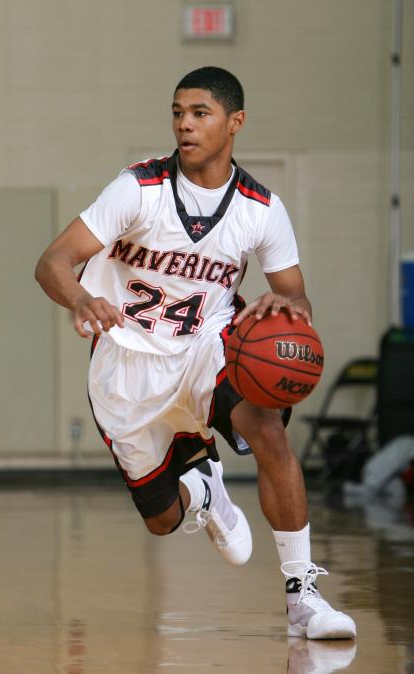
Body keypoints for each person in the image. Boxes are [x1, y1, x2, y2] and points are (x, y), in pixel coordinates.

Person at [35, 66, 356, 640]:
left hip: (207, 347)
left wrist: (287, 306)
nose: (185, 124)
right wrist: (82, 298)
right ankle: (202, 489)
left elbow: (294, 293)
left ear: (235, 122)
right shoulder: (138, 189)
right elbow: (52, 261)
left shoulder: (260, 208)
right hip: (126, 367)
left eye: (200, 113)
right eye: (178, 113)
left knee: (269, 433)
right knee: (161, 521)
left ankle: (304, 596)